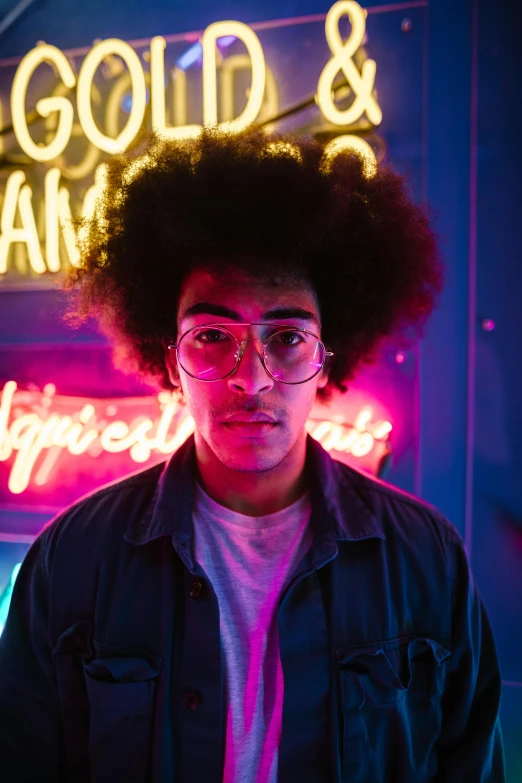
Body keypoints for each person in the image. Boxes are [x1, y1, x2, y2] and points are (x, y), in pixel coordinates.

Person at [0, 129, 505, 782]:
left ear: (331, 353)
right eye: (212, 335)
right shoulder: (71, 561)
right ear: (168, 355)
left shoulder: (425, 558)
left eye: (287, 336)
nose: (251, 377)